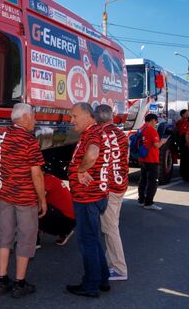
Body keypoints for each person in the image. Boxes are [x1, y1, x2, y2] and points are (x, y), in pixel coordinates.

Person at [0, 103, 47, 299]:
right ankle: (19, 283)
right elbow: (37, 175)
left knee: (4, 237)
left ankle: (1, 280)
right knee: (25, 239)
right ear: (23, 118)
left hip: (4, 195)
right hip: (25, 198)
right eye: (33, 117)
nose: (35, 120)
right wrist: (42, 199)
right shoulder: (29, 141)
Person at [64, 103, 110, 298]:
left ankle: (91, 285)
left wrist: (80, 170)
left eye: (74, 116)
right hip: (94, 195)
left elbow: (92, 154)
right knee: (93, 238)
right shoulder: (95, 132)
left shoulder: (92, 133)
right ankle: (102, 278)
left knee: (87, 241)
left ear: (87, 115)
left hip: (87, 197)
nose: (71, 120)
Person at [95, 104, 129, 281]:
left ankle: (119, 268)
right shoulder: (121, 134)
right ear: (111, 117)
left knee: (110, 228)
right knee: (112, 226)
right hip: (120, 185)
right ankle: (112, 262)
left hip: (108, 188)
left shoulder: (99, 135)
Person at [138, 114, 167, 210]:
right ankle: (148, 203)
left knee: (143, 180)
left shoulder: (141, 128)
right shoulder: (152, 130)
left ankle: (141, 200)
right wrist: (163, 141)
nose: (156, 123)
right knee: (153, 182)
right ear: (152, 120)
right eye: (156, 121)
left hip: (143, 158)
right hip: (152, 159)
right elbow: (157, 145)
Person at [38, 174, 76, 246]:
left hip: (66, 219)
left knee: (33, 208)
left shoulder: (45, 180)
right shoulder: (50, 178)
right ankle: (64, 233)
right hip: (70, 218)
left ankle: (34, 241)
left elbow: (39, 200)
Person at [177, 109, 189, 181]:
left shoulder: (182, 122)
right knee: (186, 159)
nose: (188, 115)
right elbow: (186, 135)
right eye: (186, 113)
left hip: (182, 141)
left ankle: (184, 173)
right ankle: (185, 174)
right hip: (184, 141)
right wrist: (188, 144)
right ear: (182, 115)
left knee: (184, 159)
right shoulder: (181, 122)